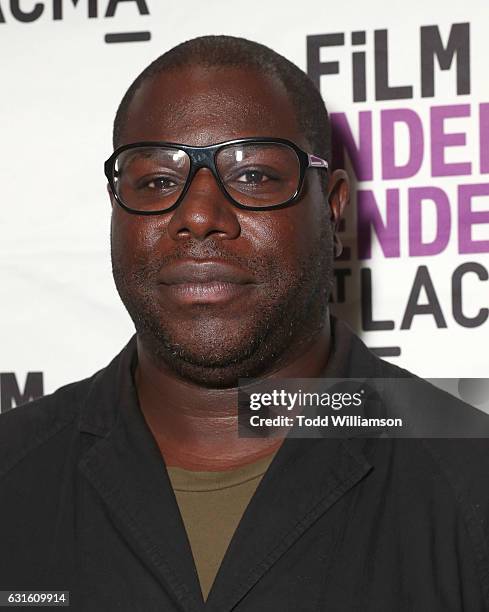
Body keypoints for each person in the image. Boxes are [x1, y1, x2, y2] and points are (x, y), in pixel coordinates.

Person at [1, 35, 489, 611]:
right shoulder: (14, 475)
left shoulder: (471, 486)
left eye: (253, 175)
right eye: (157, 180)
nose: (200, 215)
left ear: (331, 208)